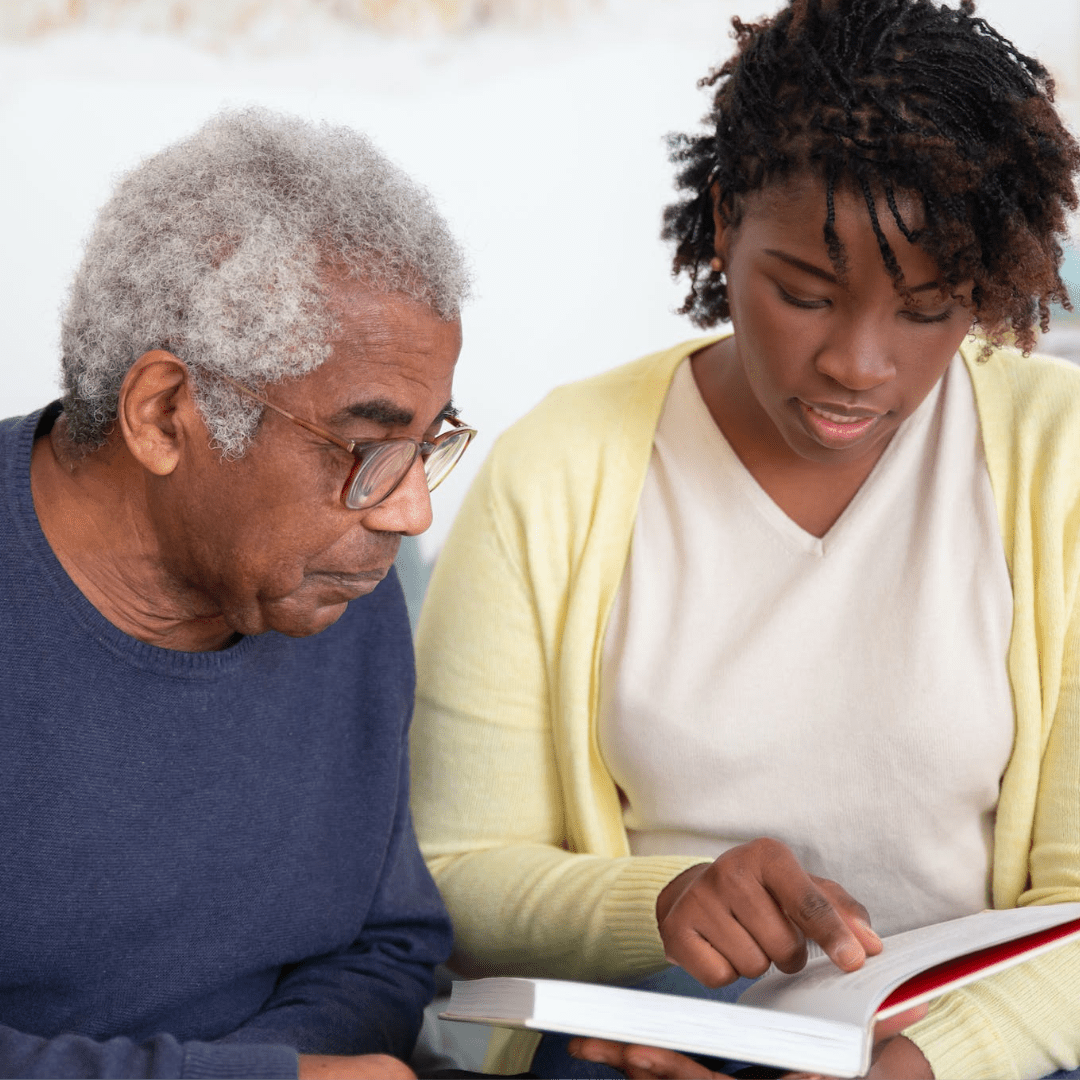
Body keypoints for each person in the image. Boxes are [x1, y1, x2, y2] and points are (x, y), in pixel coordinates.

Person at [408, 0, 1080, 1077]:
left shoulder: (1062, 462)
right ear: (724, 220)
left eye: (927, 310)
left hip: (976, 1047)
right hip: (656, 1045)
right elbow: (453, 873)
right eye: (805, 294)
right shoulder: (559, 468)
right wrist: (661, 903)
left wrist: (920, 1066)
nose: (859, 365)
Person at [0, 107, 476, 1080]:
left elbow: (386, 948)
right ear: (164, 413)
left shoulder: (337, 584)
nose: (410, 510)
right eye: (370, 447)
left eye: (429, 443)